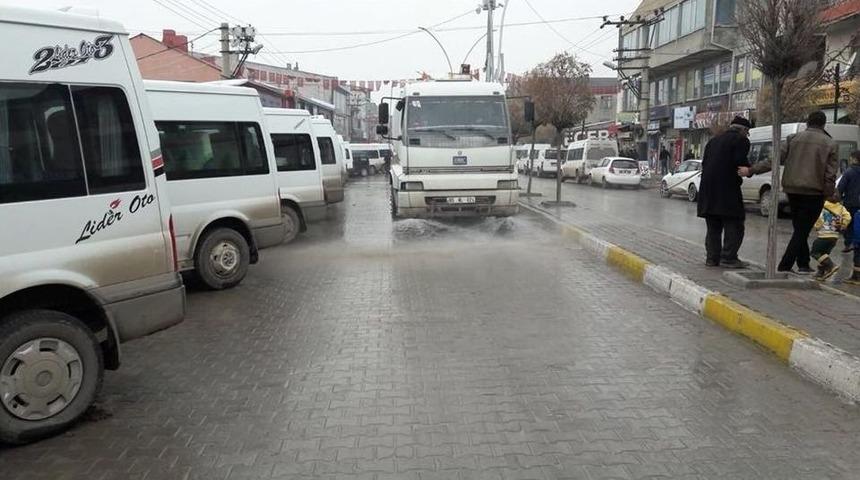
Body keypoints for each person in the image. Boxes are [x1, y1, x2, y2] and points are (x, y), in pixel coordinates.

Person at [741, 111, 839, 274]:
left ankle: (803, 263)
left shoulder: (793, 139)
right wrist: (829, 194)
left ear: (807, 122)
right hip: (814, 192)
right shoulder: (830, 143)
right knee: (802, 230)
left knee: (800, 227)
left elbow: (773, 160)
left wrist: (751, 170)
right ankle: (785, 265)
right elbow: (830, 174)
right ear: (823, 124)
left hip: (792, 189)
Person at [697, 116, 753, 268]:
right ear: (743, 130)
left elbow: (705, 163)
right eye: (747, 132)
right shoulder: (741, 140)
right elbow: (740, 162)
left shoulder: (713, 141)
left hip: (708, 189)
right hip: (727, 189)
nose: (747, 135)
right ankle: (728, 258)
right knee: (735, 223)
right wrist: (750, 169)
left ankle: (712, 258)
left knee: (713, 226)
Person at [810, 193, 851, 281]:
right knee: (824, 254)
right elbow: (848, 217)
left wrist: (816, 226)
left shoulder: (823, 206)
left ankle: (831, 266)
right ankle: (821, 273)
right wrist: (843, 225)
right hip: (834, 237)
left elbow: (819, 219)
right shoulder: (841, 208)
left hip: (823, 236)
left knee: (815, 252)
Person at [838, 151, 860, 252]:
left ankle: (849, 244)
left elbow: (840, 187)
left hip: (850, 202)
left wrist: (838, 199)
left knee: (848, 223)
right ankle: (856, 243)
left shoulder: (848, 172)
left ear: (854, 159)